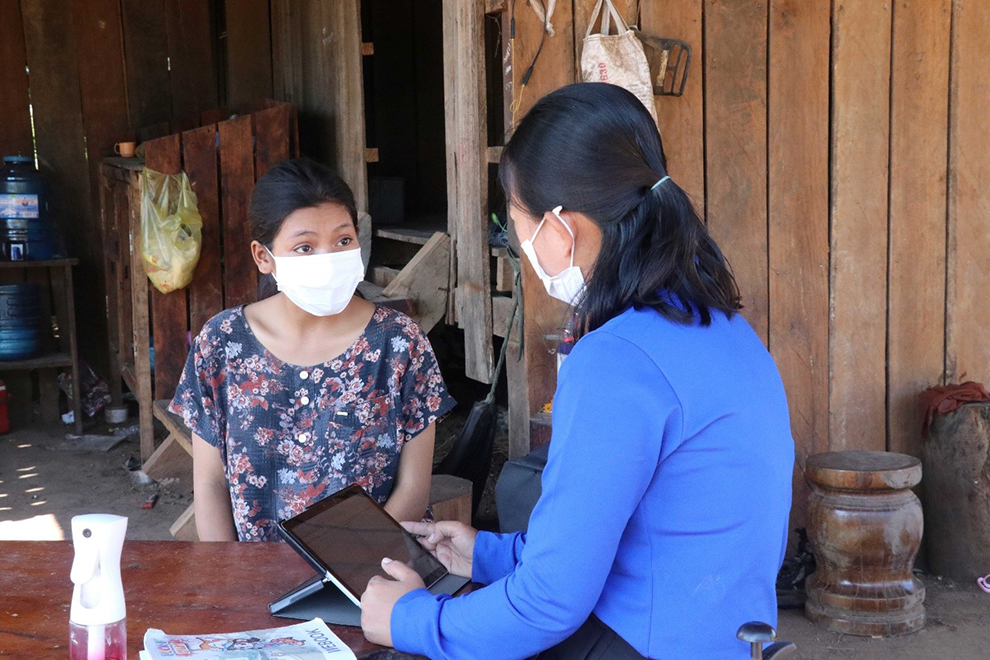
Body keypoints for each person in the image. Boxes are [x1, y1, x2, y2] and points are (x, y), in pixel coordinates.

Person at [360, 83, 795, 658]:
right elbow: (643, 534)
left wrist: (412, 620)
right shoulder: (726, 330)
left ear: (560, 227)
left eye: (514, 219)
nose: (517, 242)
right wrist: (489, 554)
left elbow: (547, 605)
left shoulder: (615, 360)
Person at [170, 159, 456, 542]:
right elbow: (209, 485)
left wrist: (349, 574)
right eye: (305, 246)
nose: (328, 259)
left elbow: (413, 489)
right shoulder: (221, 343)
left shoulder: (400, 343)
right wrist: (229, 579)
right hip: (251, 579)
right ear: (263, 257)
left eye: (343, 240)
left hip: (371, 574)